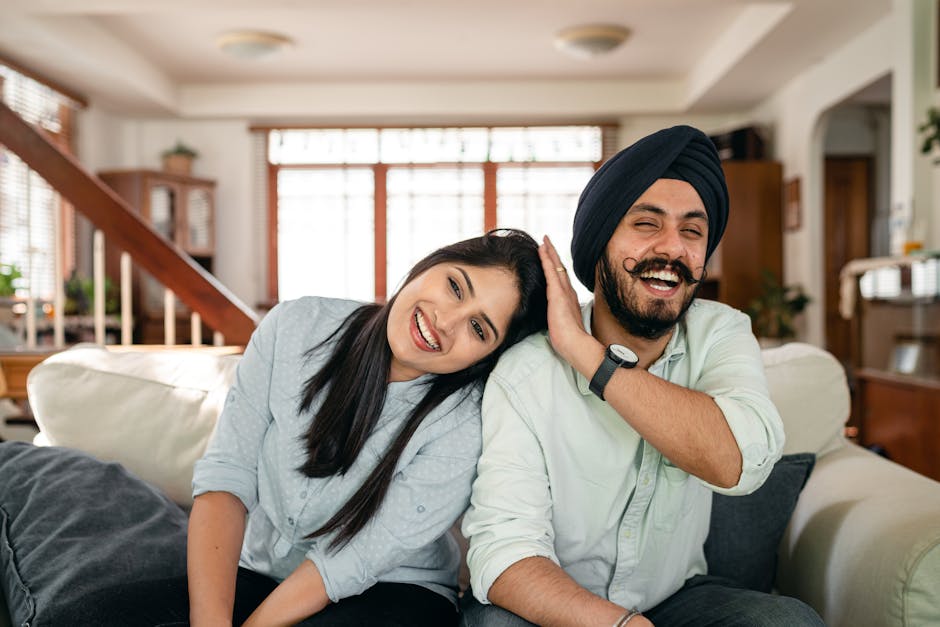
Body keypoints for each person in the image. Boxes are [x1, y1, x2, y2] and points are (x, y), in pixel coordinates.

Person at [62, 228, 547, 626]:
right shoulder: (297, 326)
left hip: (391, 591)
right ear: (429, 264)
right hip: (259, 570)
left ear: (485, 357)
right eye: (455, 287)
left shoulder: (467, 418)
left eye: (479, 328)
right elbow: (228, 477)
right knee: (86, 616)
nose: (446, 321)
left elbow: (351, 560)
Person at [460, 126, 825, 626]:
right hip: (554, 603)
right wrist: (620, 625)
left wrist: (589, 356)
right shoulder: (526, 373)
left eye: (692, 231)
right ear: (600, 242)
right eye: (646, 223)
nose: (672, 248)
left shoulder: (721, 332)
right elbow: (504, 553)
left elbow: (739, 463)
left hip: (676, 600)